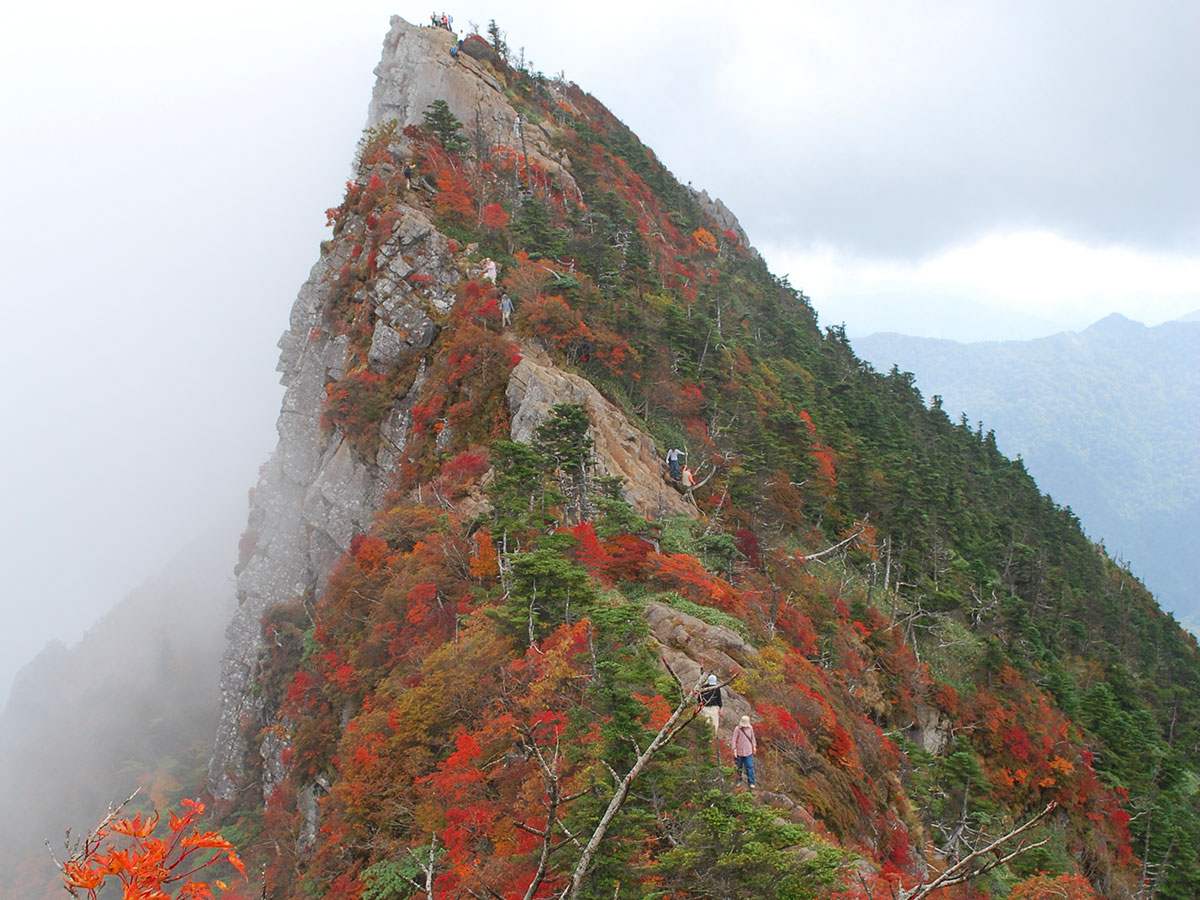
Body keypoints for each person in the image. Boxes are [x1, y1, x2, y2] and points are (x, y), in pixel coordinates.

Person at [732, 715, 757, 788]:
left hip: (748, 751)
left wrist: (754, 747)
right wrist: (734, 751)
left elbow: (752, 738)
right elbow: (734, 740)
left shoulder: (750, 728)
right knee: (738, 767)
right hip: (739, 752)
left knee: (749, 766)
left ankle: (751, 782)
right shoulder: (737, 729)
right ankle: (738, 780)